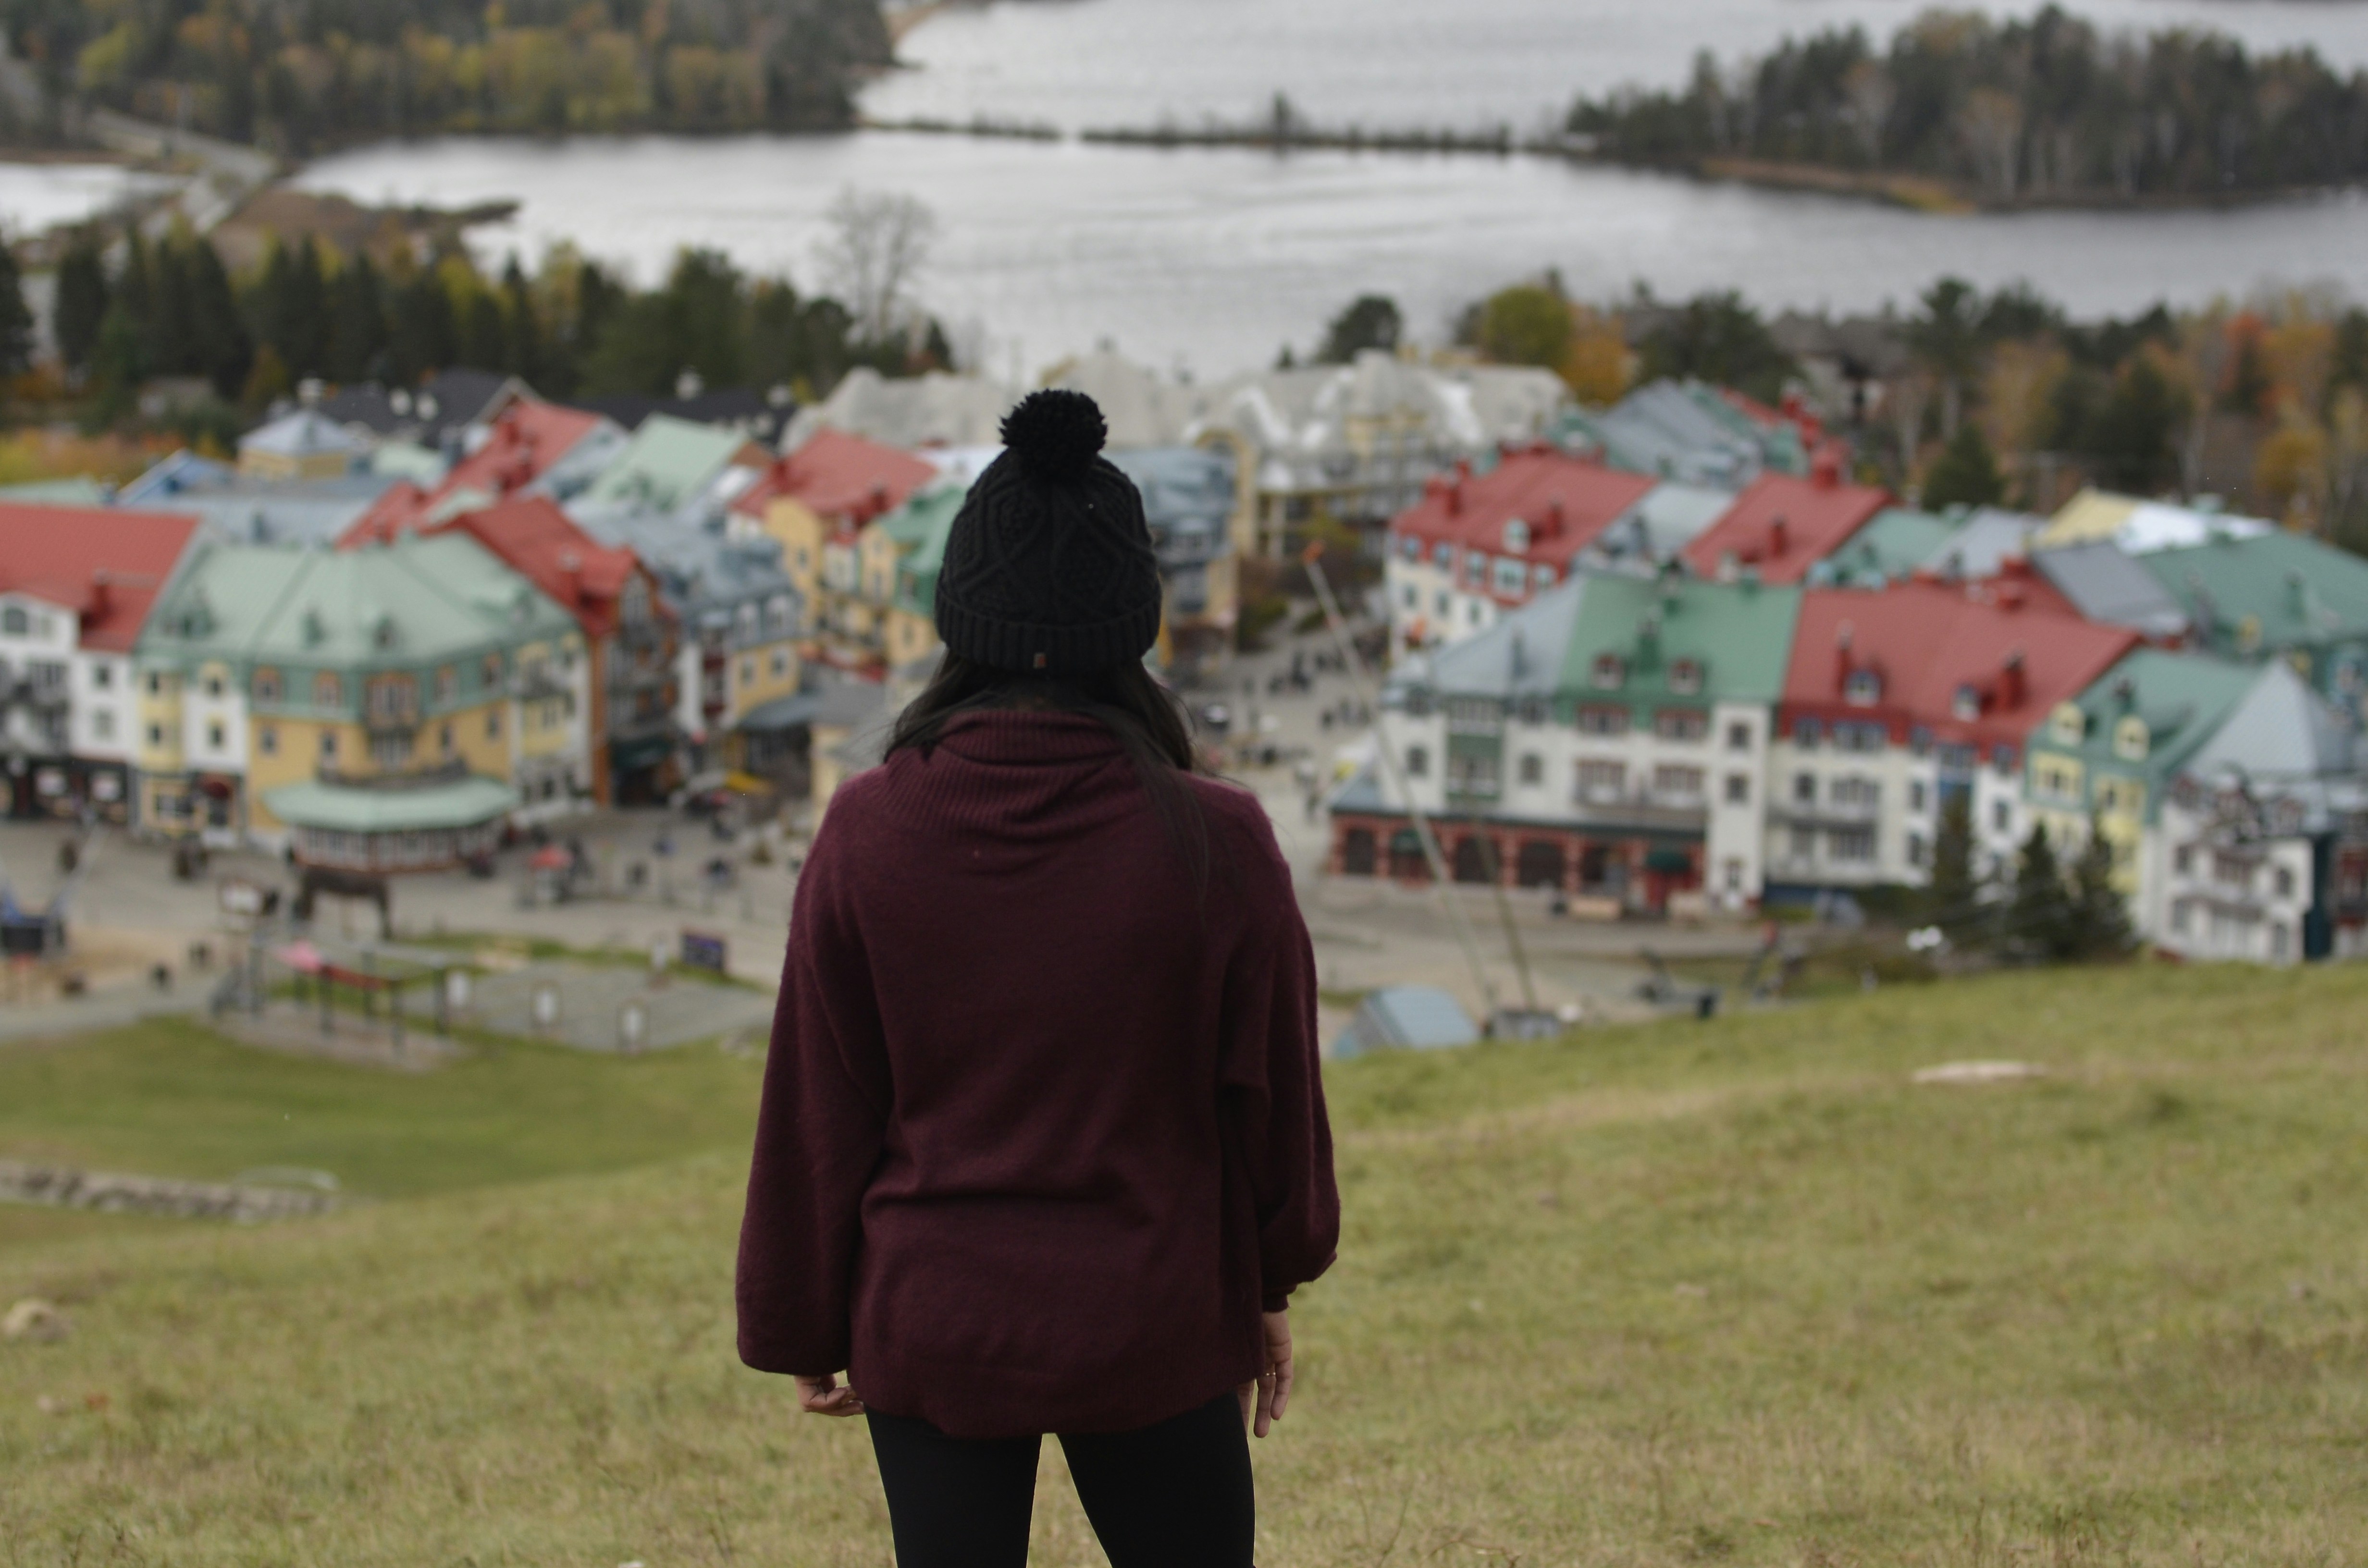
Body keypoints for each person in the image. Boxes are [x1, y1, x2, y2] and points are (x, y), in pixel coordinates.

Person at [738, 390, 1339, 1568]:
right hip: (1156, 1312)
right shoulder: (1217, 838)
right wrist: (1272, 1280)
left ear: (960, 617)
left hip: (934, 1316)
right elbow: (1271, 1093)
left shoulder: (867, 828)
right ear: (1135, 625)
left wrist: (804, 1316)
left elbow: (819, 1103)